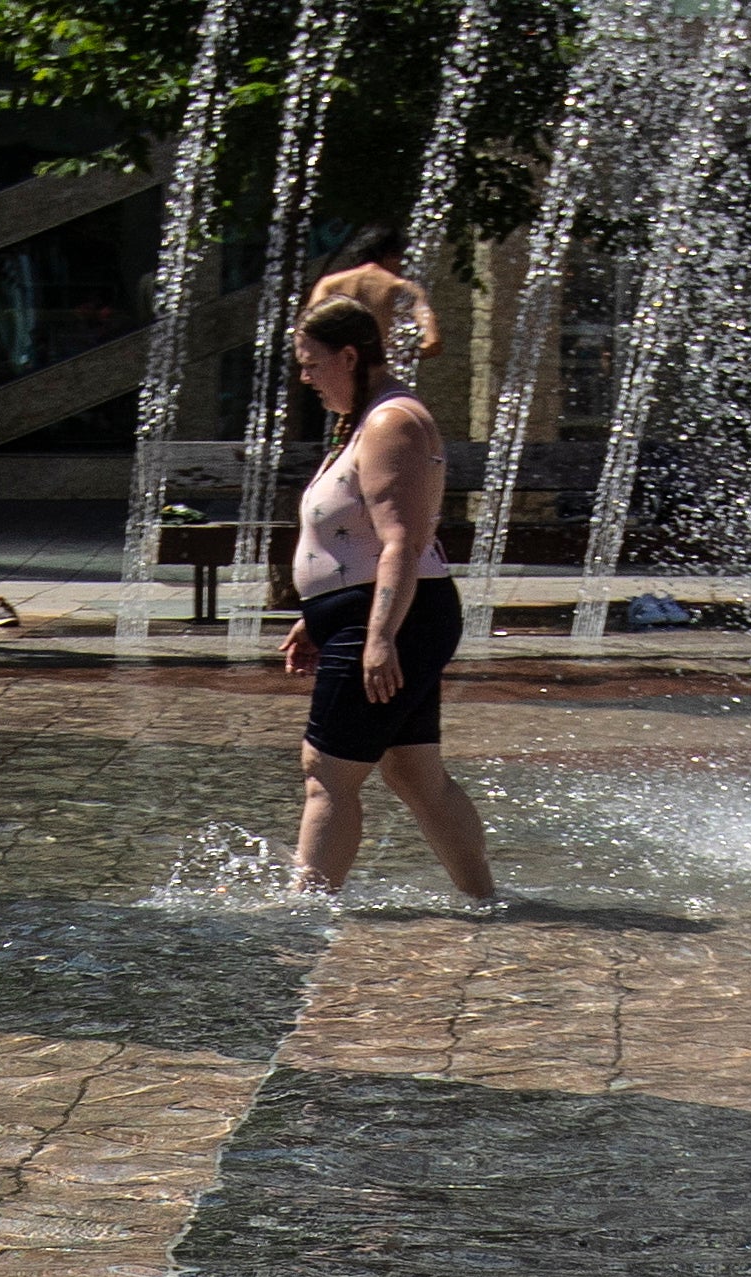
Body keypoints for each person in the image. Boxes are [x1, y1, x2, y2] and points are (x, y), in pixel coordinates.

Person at [273, 297, 495, 901]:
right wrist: (317, 616)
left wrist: (376, 637)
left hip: (394, 619)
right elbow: (354, 542)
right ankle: (484, 901)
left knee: (327, 773)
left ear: (350, 355)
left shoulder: (391, 423)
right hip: (383, 615)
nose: (306, 378)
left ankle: (306, 912)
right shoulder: (371, 418)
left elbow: (404, 540)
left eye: (312, 363)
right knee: (413, 772)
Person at [303, 225, 439, 389]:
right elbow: (433, 343)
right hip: (378, 382)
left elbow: (307, 333)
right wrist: (393, 356)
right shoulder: (405, 289)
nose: (403, 267)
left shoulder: (328, 284)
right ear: (392, 255)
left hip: (338, 380)